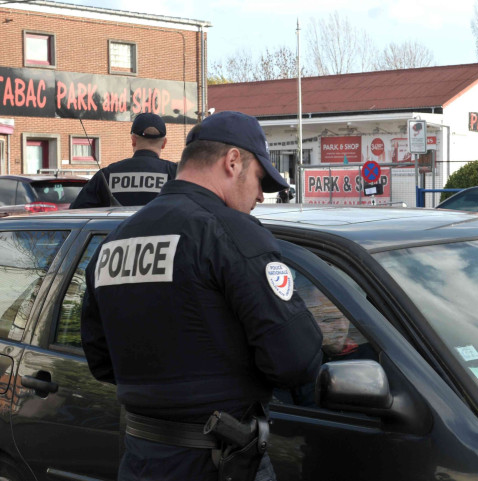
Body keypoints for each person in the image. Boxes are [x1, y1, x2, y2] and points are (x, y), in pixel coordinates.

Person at [80, 111, 324, 480]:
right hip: (220, 463)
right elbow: (296, 360)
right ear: (232, 162)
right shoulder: (232, 234)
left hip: (141, 460)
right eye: (260, 180)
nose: (260, 195)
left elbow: (101, 360)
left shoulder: (115, 241)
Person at [70, 112, 177, 208]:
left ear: (133, 140)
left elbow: (76, 212)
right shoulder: (176, 174)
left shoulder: (106, 175)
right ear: (164, 143)